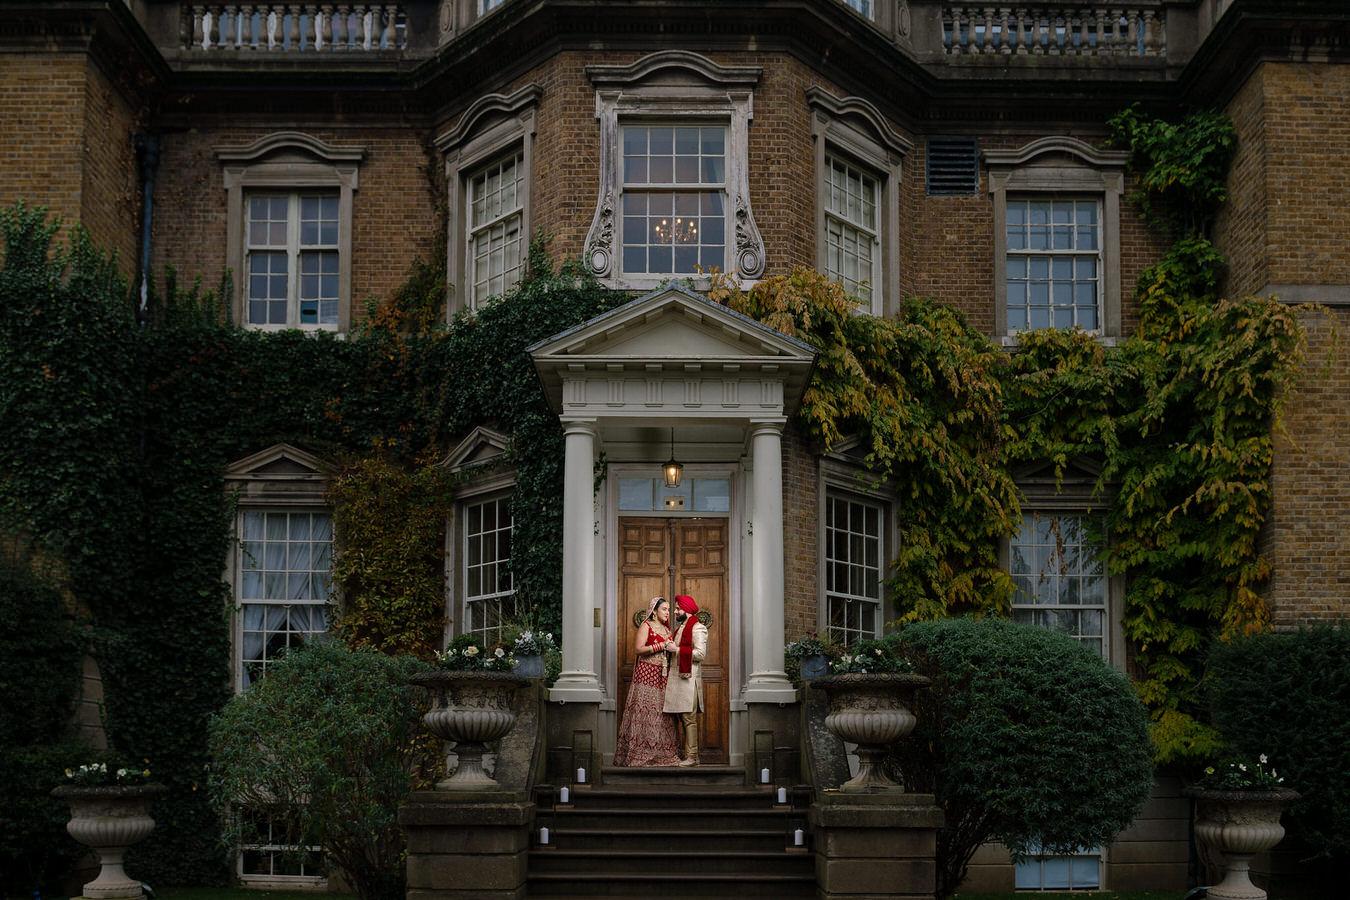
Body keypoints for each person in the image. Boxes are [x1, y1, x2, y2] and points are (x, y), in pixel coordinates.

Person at [613, 596, 681, 767]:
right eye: (664, 609)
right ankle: (640, 754)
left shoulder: (667, 630)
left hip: (663, 677)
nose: (668, 612)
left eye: (668, 609)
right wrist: (661, 646)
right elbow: (638, 649)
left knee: (663, 715)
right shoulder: (646, 626)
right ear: (654, 611)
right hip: (646, 675)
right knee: (645, 712)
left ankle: (662, 755)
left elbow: (670, 650)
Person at [663, 594, 708, 767]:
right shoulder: (682, 628)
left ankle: (693, 757)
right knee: (682, 718)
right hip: (678, 680)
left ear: (686, 610)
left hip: (689, 681)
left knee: (689, 719)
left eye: (677, 608)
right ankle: (689, 756)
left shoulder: (698, 628)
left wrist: (676, 649)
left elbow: (700, 654)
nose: (675, 612)